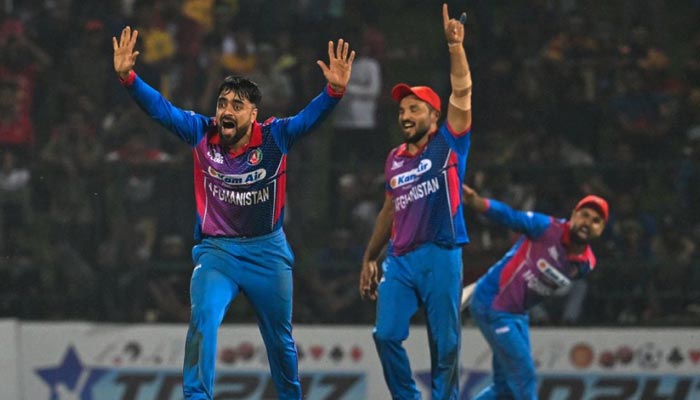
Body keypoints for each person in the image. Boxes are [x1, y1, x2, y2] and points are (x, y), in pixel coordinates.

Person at [112, 26, 355, 400]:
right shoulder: (200, 132)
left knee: (280, 342)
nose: (225, 110)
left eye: (236, 106)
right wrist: (130, 79)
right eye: (223, 103)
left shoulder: (276, 136)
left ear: (253, 114)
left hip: (267, 253)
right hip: (218, 253)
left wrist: (334, 92)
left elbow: (311, 118)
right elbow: (162, 110)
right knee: (203, 319)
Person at [359, 4, 473, 399]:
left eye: (414, 108)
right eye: (402, 109)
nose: (405, 115)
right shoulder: (394, 157)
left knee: (446, 346)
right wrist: (370, 256)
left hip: (442, 253)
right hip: (401, 259)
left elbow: (462, 91)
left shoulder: (449, 144)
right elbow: (390, 209)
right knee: (385, 334)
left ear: (435, 116)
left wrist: (455, 48)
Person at [460, 183, 608, 399]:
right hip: (492, 304)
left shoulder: (585, 264)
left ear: (602, 229)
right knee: (524, 376)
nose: (588, 223)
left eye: (596, 221)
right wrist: (477, 203)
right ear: (573, 215)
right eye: (584, 215)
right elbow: (510, 216)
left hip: (517, 314)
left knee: (506, 389)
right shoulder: (546, 227)